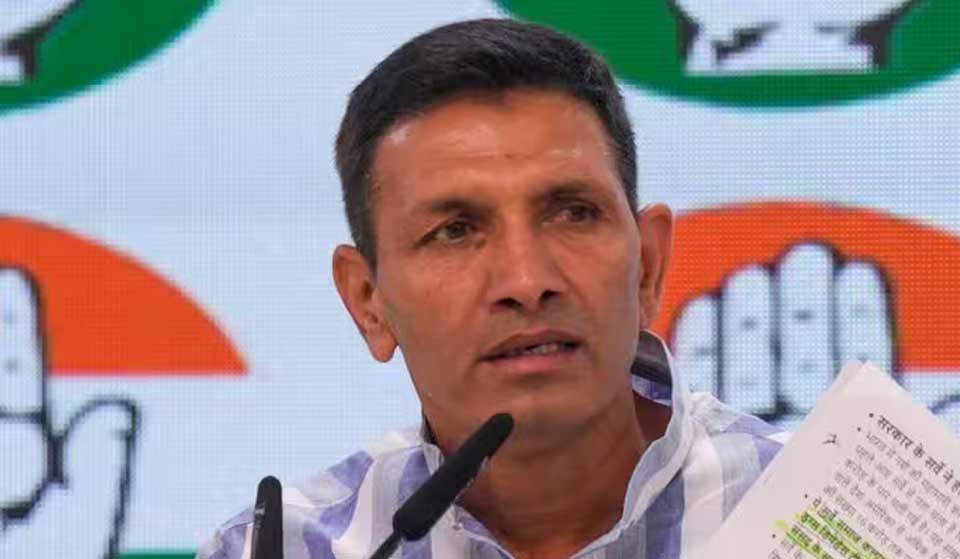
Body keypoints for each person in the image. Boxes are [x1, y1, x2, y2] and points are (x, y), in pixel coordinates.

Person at [197, 18, 785, 559]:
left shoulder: (814, 514)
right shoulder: (285, 550)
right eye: (454, 232)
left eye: (573, 213)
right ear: (368, 304)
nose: (527, 283)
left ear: (648, 266)